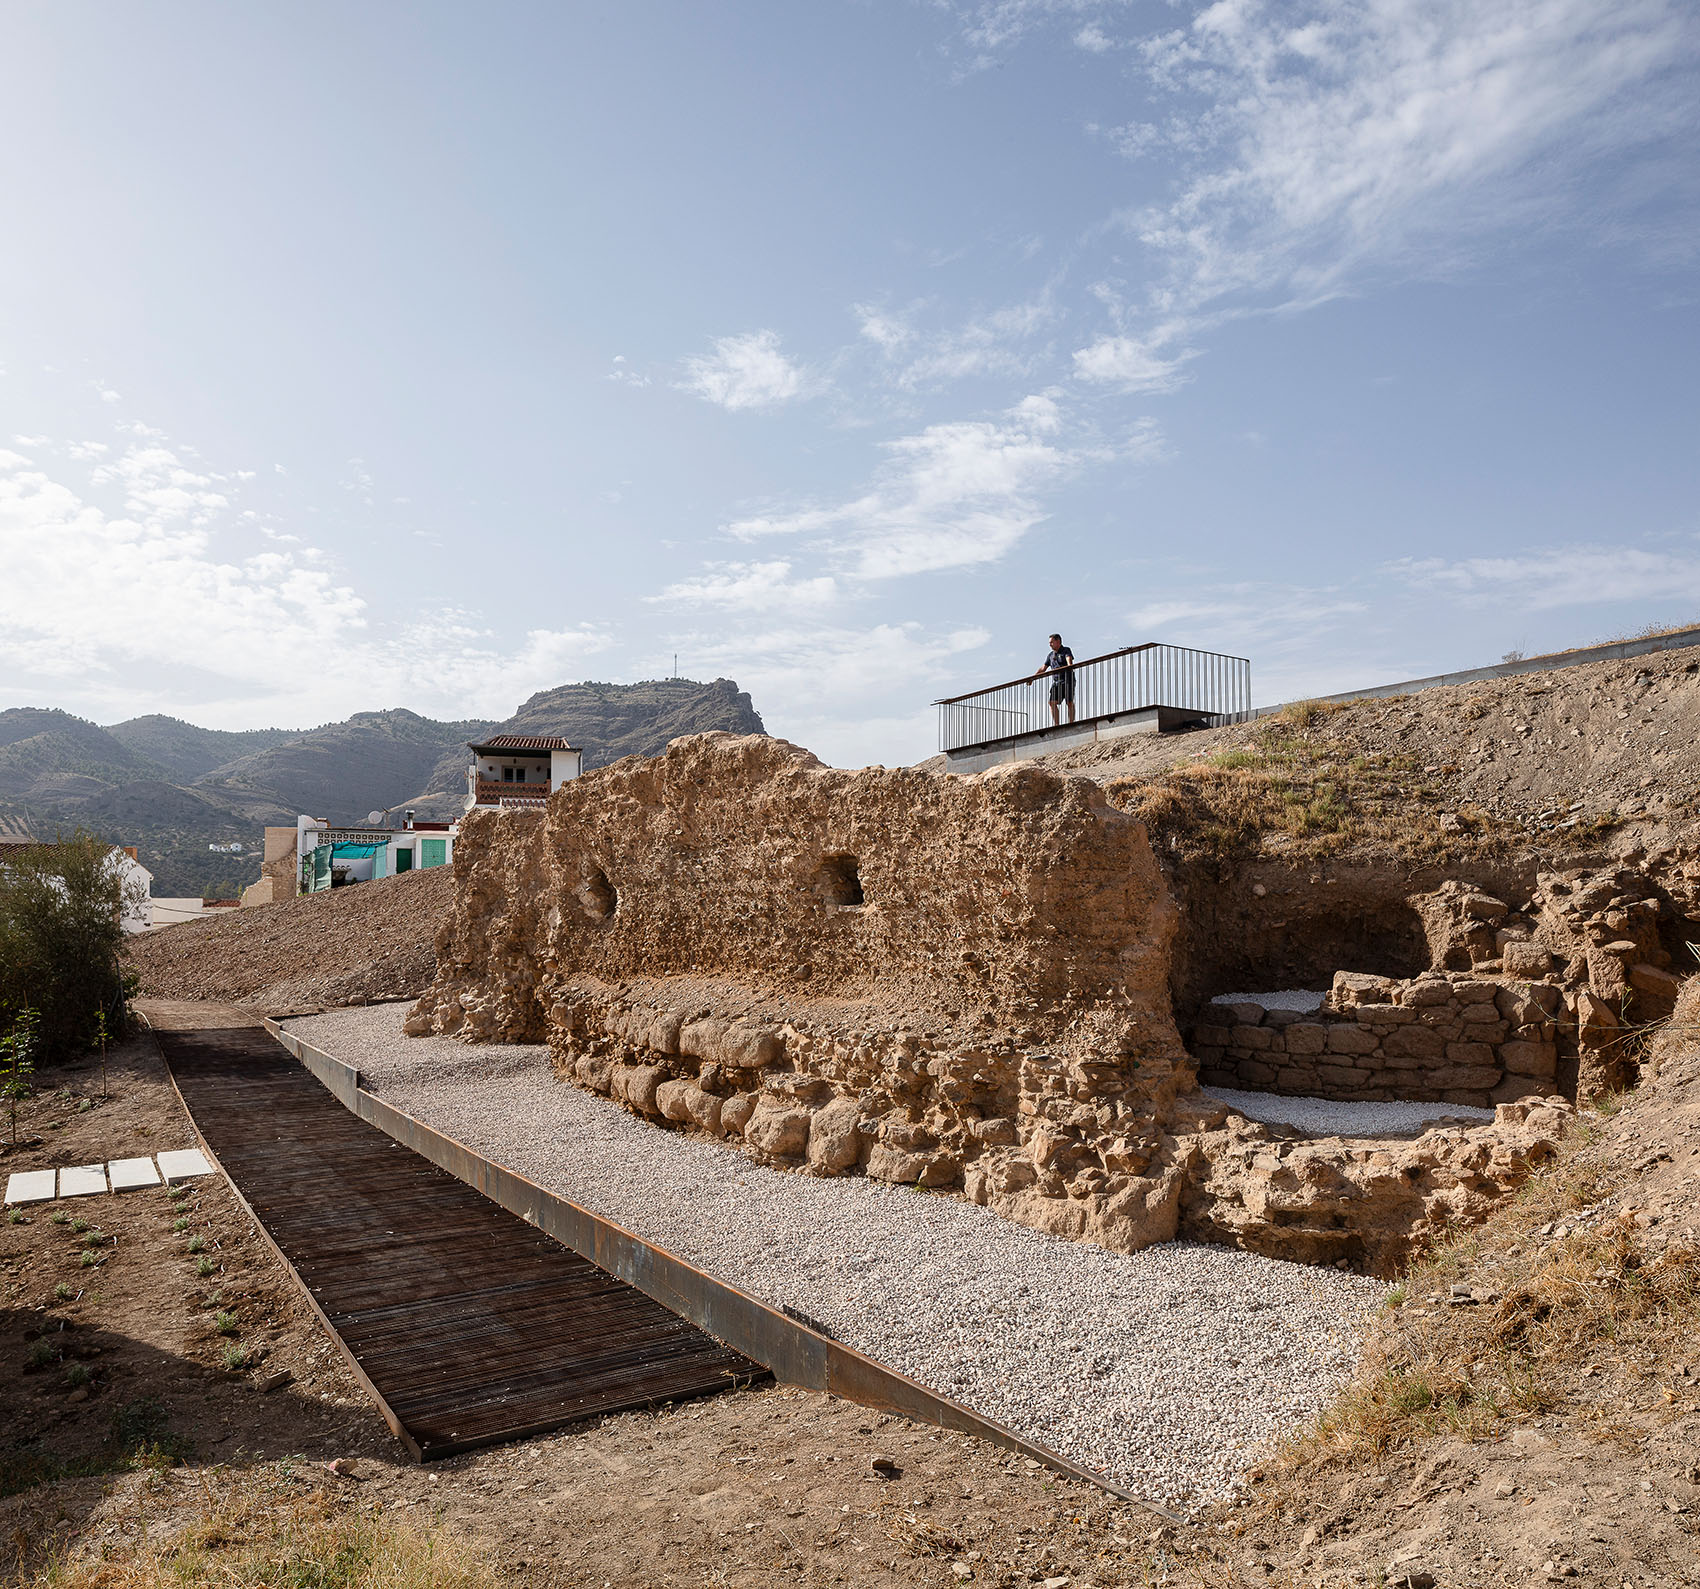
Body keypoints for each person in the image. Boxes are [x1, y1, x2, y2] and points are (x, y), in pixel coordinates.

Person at [1035, 633, 1076, 725]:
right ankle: (1057, 724)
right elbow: (1043, 668)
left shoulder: (1066, 650)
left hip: (1067, 680)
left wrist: (1070, 666)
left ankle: (1071, 723)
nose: (1050, 644)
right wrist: (1033, 678)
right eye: (1049, 643)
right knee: (1052, 702)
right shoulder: (1050, 655)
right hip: (1057, 682)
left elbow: (1069, 660)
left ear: (1058, 641)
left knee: (1069, 702)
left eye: (1051, 642)